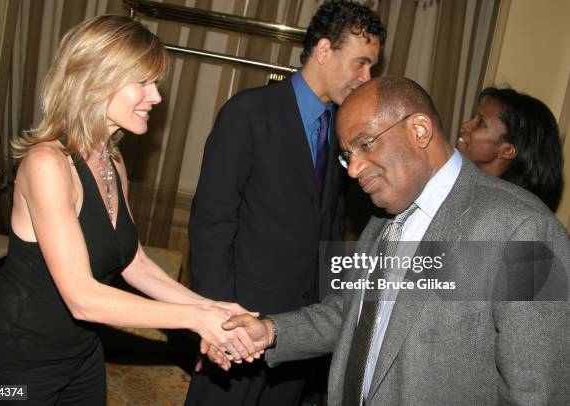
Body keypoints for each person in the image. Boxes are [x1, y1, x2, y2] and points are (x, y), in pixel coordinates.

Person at [216, 76, 570, 405]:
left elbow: (539, 390)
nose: (353, 171)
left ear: (419, 130)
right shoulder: (382, 221)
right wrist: (271, 331)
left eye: (365, 145)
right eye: (347, 156)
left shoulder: (528, 230)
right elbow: (349, 311)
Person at [0, 15, 259, 405]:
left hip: (81, 356)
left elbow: (134, 262)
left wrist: (212, 308)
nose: (155, 96)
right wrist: (195, 320)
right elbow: (83, 298)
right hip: (12, 361)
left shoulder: (112, 161)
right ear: (94, 78)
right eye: (143, 82)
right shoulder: (46, 164)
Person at [185, 1, 386, 405]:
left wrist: (324, 317)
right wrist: (221, 325)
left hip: (295, 338)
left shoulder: (341, 131)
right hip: (239, 330)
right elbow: (212, 225)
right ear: (325, 50)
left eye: (372, 69)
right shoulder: (248, 112)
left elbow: (329, 228)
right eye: (361, 64)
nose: (366, 79)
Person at [457, 87, 563, 211]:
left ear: (507, 151)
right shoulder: (466, 189)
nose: (465, 125)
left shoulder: (505, 212)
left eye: (481, 123)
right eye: (472, 117)